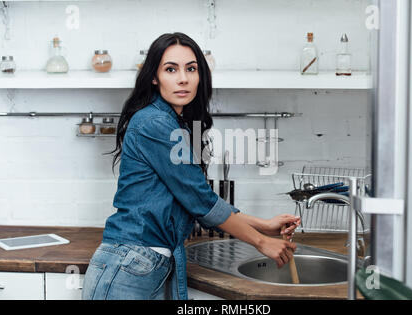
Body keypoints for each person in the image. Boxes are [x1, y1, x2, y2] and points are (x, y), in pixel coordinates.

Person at [81, 32, 300, 300]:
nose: (183, 78)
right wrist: (261, 241)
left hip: (142, 264)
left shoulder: (171, 123)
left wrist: (264, 225)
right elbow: (201, 202)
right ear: (154, 76)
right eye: (170, 69)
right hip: (128, 266)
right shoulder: (155, 124)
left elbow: (195, 200)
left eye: (191, 69)